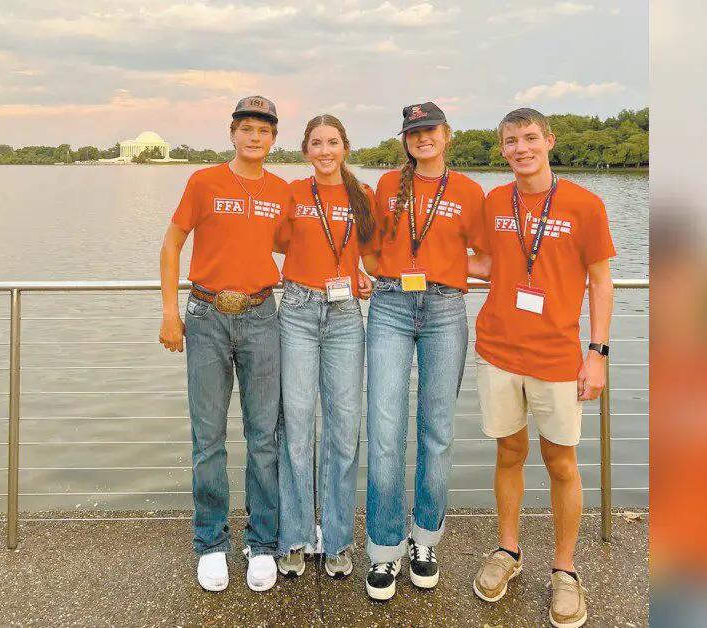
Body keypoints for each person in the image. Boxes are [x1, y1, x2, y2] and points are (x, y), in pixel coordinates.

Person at [469, 107, 615, 628]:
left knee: (562, 463)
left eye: (530, 138)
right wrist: (414, 262)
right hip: (498, 351)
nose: (521, 148)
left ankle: (565, 569)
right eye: (511, 141)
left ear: (550, 140)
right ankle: (508, 552)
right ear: (502, 149)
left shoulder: (584, 204)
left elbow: (601, 282)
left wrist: (597, 353)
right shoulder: (493, 201)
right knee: (509, 452)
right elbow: (483, 264)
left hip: (557, 357)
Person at [158, 95, 290, 593]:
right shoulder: (204, 182)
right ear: (232, 133)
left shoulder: (282, 191)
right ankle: (211, 542)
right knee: (207, 438)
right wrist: (170, 311)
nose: (255, 137)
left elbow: (290, 245)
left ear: (274, 139)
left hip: (261, 316)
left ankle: (262, 542)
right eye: (247, 129)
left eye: (264, 130)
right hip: (207, 315)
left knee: (264, 437)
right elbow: (172, 242)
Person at [362, 101, 488, 601]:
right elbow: (368, 249)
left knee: (436, 430)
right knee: (385, 429)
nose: (422, 138)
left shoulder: (469, 191)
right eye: (413, 132)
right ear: (406, 139)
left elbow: (485, 257)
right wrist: (386, 277)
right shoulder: (388, 186)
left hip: (444, 309)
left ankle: (426, 540)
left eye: (429, 130)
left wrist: (449, 272)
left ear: (447, 134)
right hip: (390, 305)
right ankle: (385, 547)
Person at [271, 114, 376, 581]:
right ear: (306, 150)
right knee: (296, 423)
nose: (325, 150)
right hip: (296, 309)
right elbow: (272, 243)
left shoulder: (362, 196)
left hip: (345, 316)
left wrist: (365, 276)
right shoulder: (292, 193)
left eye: (333, 142)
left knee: (343, 426)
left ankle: (336, 539)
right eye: (316, 143)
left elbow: (371, 253)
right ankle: (293, 536)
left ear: (345, 147)